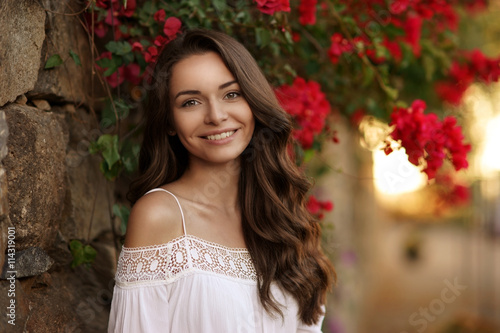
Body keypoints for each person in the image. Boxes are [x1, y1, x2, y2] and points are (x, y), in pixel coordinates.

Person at [107, 29, 335, 333]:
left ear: (253, 102)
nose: (216, 116)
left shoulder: (284, 219)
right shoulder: (159, 215)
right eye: (190, 102)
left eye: (231, 94)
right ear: (170, 122)